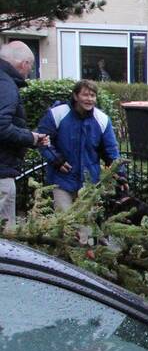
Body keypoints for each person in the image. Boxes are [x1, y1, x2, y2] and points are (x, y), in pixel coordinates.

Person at [37, 79, 121, 211]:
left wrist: (120, 175)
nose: (89, 99)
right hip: (62, 180)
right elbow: (43, 140)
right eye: (85, 95)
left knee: (86, 228)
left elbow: (111, 150)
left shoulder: (102, 119)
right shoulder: (58, 113)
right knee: (64, 224)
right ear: (76, 96)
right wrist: (56, 160)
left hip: (90, 181)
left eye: (92, 95)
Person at [0, 41, 49, 229]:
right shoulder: (6, 86)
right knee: (6, 239)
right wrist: (31, 138)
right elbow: (2, 126)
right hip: (2, 172)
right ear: (24, 64)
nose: (29, 72)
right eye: (30, 67)